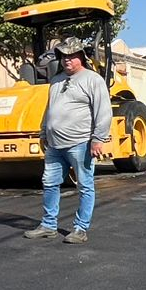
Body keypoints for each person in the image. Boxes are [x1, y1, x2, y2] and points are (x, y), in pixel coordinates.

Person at [24, 36, 111, 244]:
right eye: (63, 57)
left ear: (81, 56)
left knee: (85, 185)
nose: (67, 60)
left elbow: (103, 111)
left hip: (80, 143)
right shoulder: (56, 80)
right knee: (50, 183)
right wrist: (44, 132)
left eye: (71, 56)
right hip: (54, 145)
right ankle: (48, 225)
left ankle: (80, 229)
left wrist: (98, 139)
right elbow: (49, 109)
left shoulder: (92, 79)